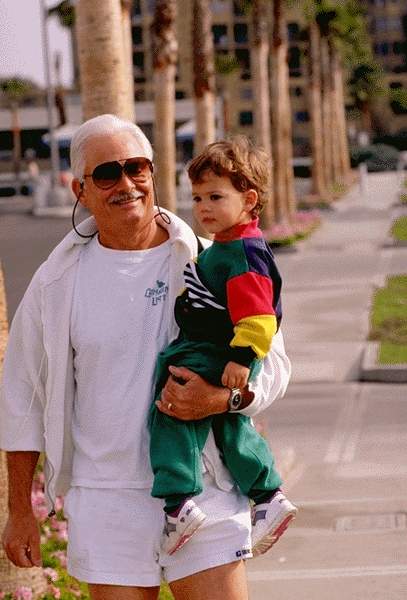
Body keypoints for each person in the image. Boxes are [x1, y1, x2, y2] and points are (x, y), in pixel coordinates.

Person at [0, 114, 291, 600]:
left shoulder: (211, 259)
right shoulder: (55, 284)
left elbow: (276, 365)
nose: (126, 183)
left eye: (136, 167)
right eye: (106, 173)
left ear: (152, 173)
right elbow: (21, 397)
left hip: (206, 487)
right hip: (106, 499)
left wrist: (222, 399)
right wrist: (20, 511)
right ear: (80, 190)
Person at [150, 137, 297, 557]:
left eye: (215, 197)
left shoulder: (244, 255)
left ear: (249, 200)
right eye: (197, 198)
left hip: (213, 351)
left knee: (171, 410)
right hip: (218, 351)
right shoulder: (228, 247)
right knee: (231, 427)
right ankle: (267, 496)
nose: (203, 207)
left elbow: (260, 318)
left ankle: (178, 503)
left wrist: (241, 359)